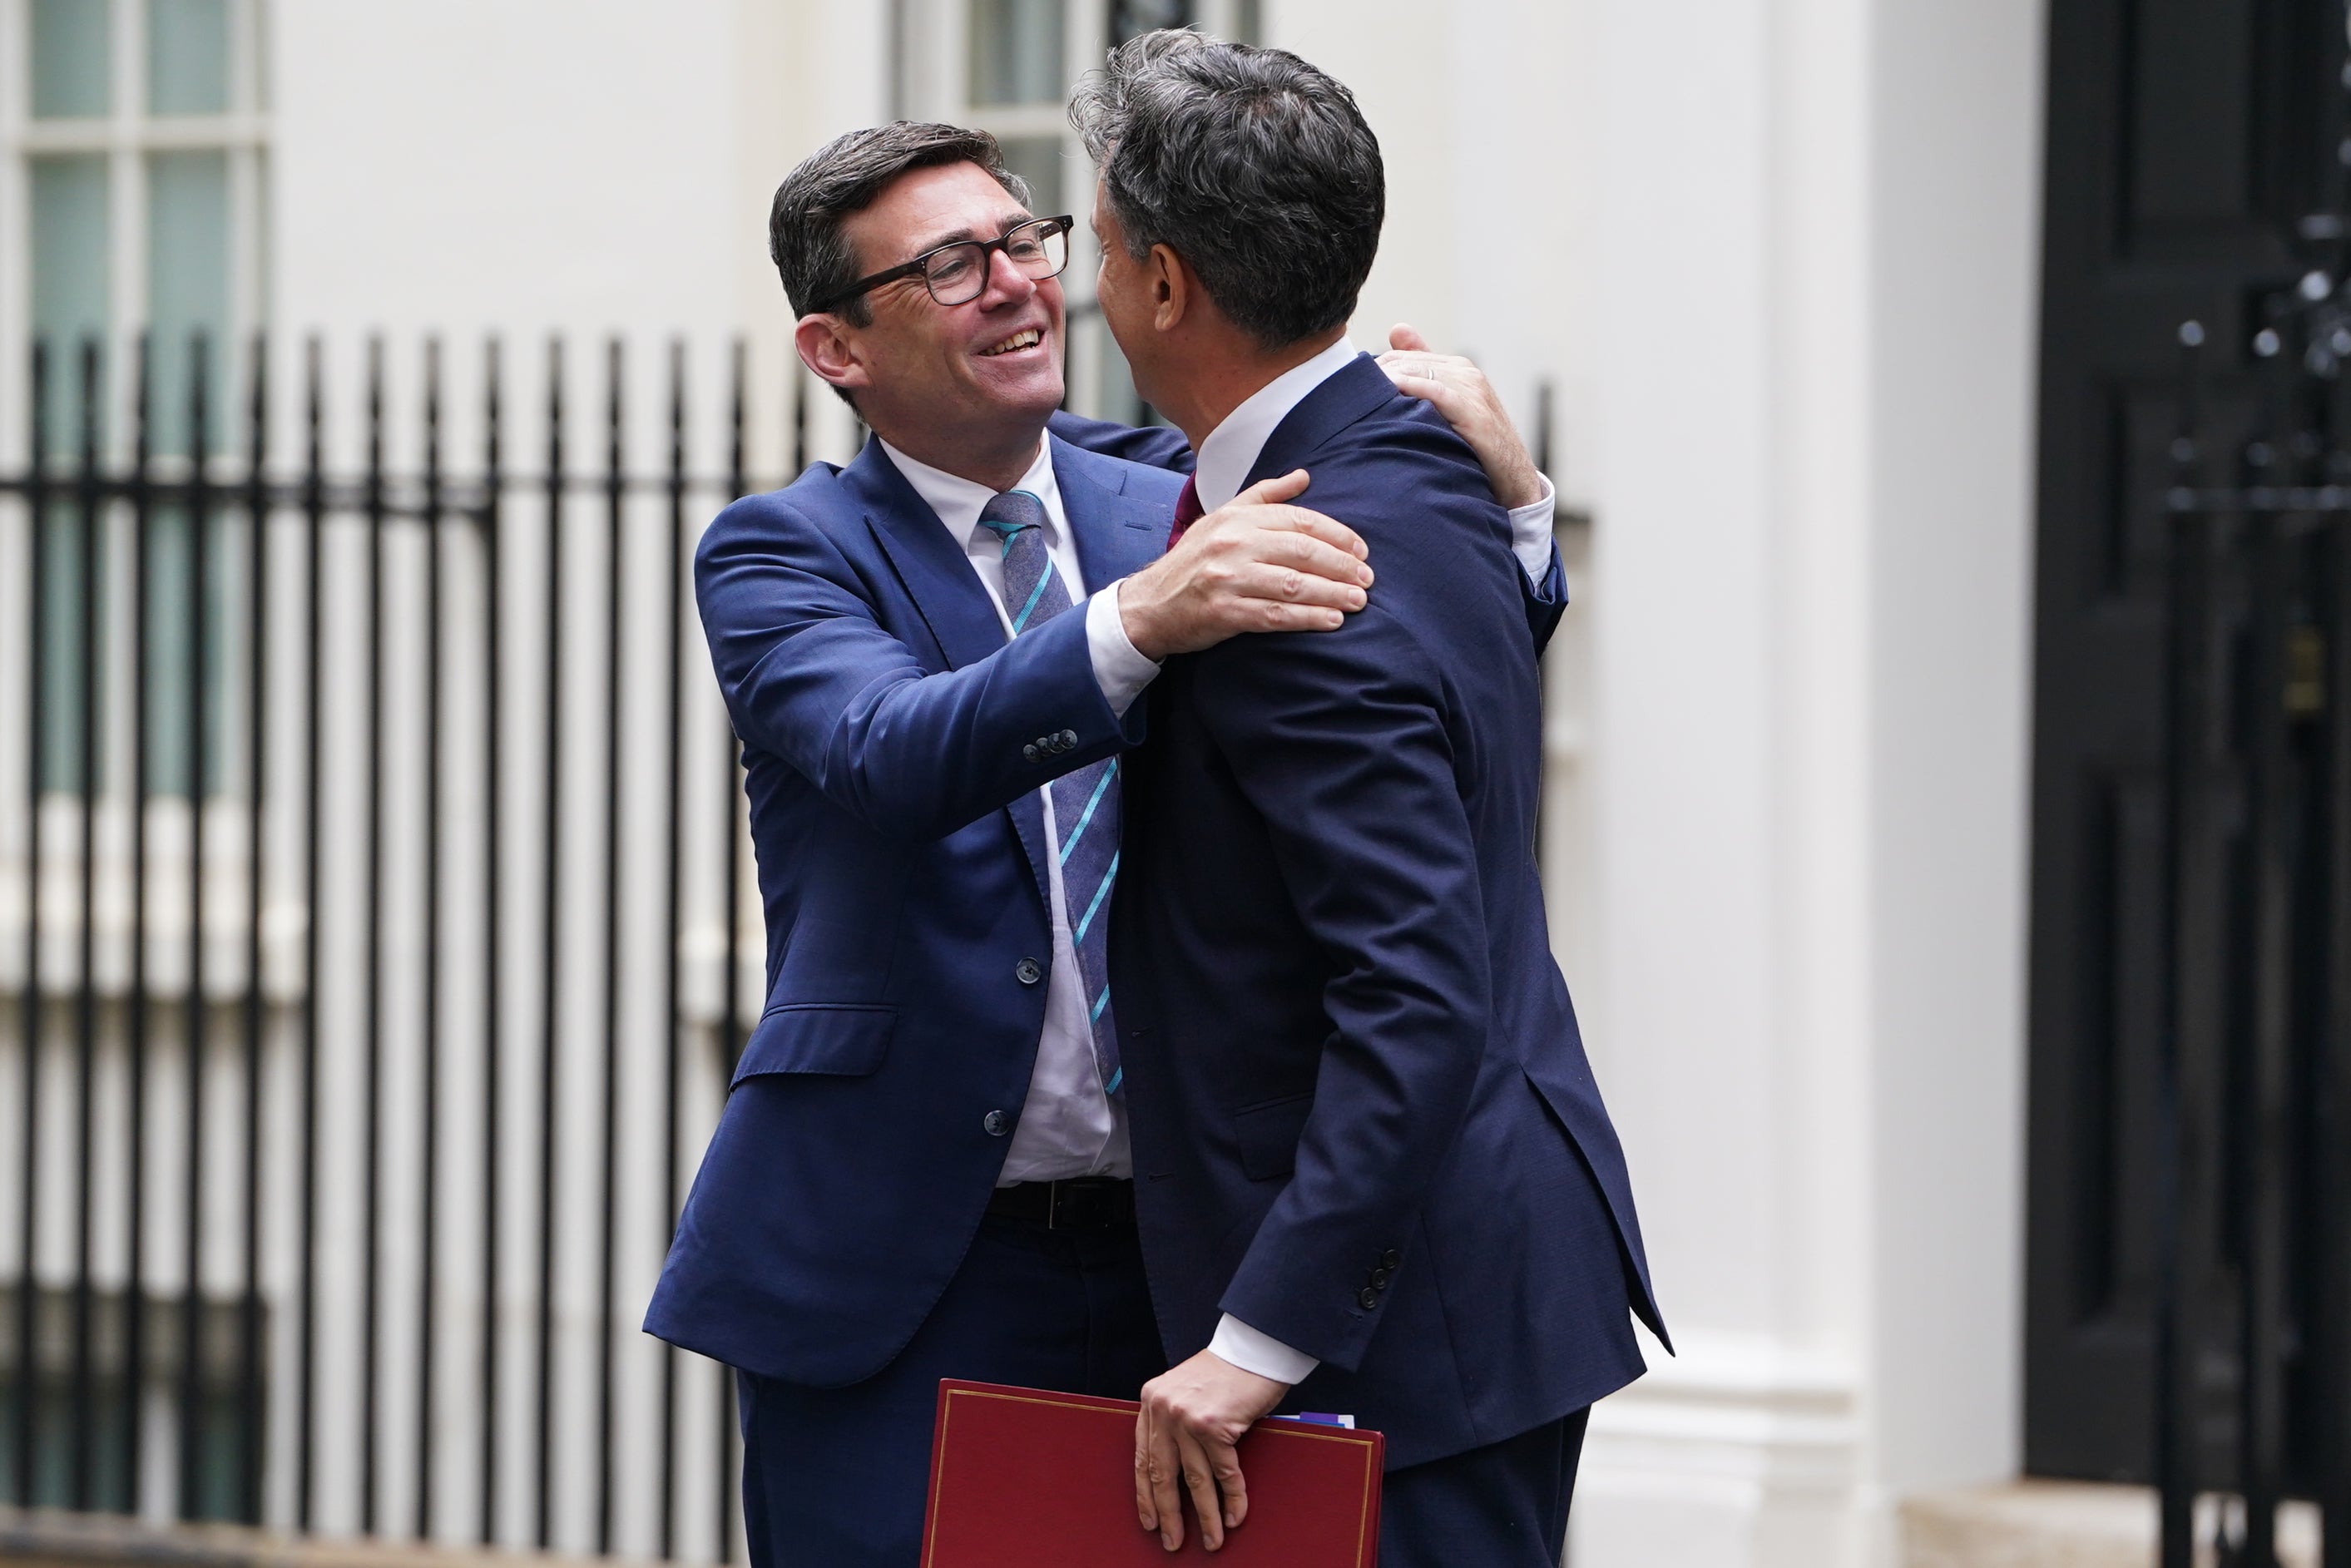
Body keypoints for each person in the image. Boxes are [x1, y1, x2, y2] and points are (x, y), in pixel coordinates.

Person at [641, 118, 1567, 1568]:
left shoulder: (1176, 493)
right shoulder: (783, 553)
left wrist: (1515, 511)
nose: (1018, 283)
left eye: (1025, 240)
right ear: (836, 349)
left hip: (1186, 1262)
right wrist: (1140, 621)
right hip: (911, 1275)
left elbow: (1410, 682)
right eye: (950, 266)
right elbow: (890, 754)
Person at [1071, 32, 1670, 1568]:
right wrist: (1529, 515)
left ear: (1162, 284)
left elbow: (1410, 993)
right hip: (1487, 1273)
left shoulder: (1295, 572)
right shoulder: (1430, 460)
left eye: (1098, 241)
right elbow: (1451, 689)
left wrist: (1251, 1344)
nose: (1079, 280)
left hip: (1402, 1332)